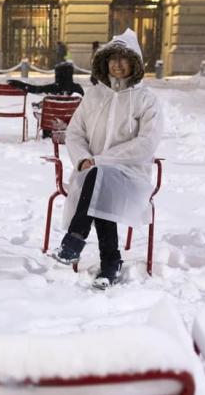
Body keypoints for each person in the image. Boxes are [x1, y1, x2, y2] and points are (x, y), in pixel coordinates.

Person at [52, 29, 163, 289]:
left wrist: (103, 160)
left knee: (103, 180)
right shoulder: (93, 96)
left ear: (135, 63)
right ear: (105, 62)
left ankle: (75, 241)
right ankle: (110, 263)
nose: (118, 64)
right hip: (90, 172)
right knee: (100, 183)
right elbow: (75, 132)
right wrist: (84, 159)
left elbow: (147, 142)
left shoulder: (146, 100)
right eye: (112, 58)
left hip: (130, 174)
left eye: (124, 59)